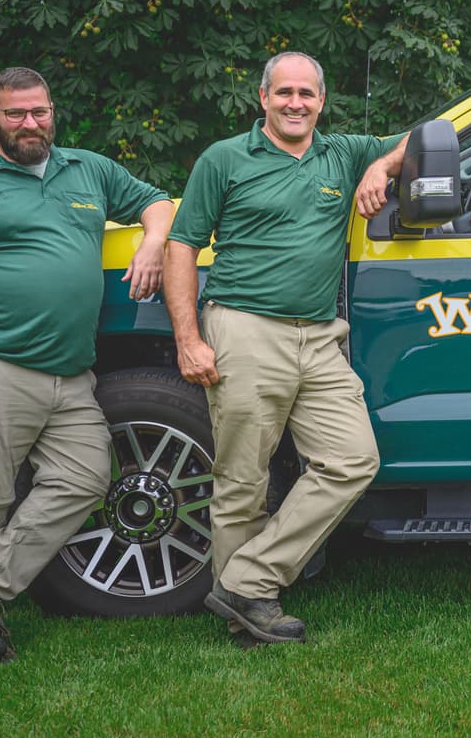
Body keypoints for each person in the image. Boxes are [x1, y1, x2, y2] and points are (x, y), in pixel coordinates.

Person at [0, 67, 173, 661]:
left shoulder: (89, 170)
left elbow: (156, 202)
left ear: (53, 111)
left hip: (73, 374)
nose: (30, 123)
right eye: (16, 114)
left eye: (40, 112)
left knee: (84, 480)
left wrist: (152, 241)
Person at [164, 50, 407, 646]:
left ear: (322, 101)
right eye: (284, 93)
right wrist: (188, 338)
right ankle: (250, 609)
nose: (295, 103)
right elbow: (182, 246)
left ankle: (245, 579)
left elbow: (437, 134)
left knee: (353, 460)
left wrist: (381, 169)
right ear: (263, 98)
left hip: (321, 336)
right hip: (244, 326)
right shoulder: (224, 159)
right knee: (242, 478)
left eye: (307, 94)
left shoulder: (344, 153)